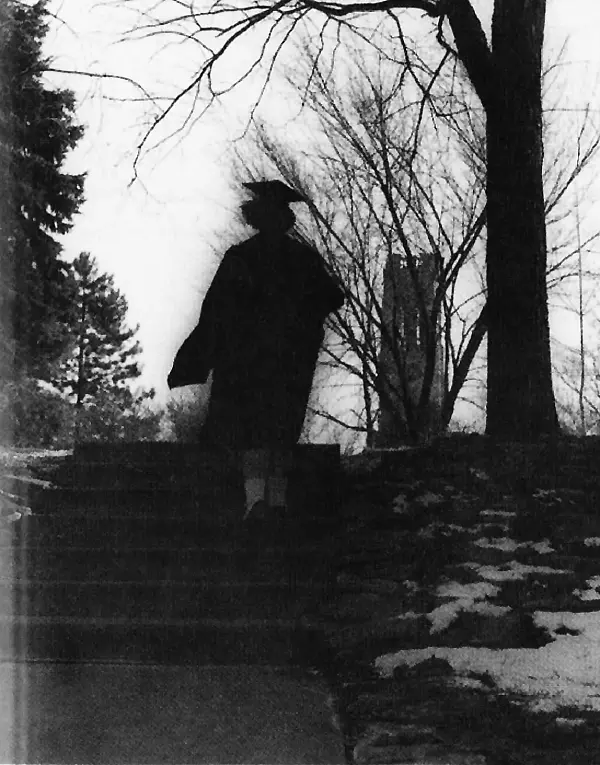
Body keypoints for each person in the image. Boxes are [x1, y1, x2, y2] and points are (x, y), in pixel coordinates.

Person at [168, 180, 344, 519]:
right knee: (278, 428)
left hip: (249, 362)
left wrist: (206, 352)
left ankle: (258, 500)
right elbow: (331, 298)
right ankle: (273, 500)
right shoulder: (302, 259)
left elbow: (216, 310)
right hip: (285, 361)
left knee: (255, 430)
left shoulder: (242, 258)